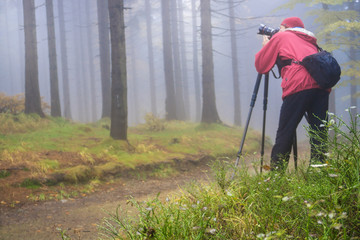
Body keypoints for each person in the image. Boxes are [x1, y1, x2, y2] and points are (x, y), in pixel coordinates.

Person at [255, 17, 329, 171]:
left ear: (286, 27)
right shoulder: (310, 41)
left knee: (286, 131)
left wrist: (266, 46)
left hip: (298, 85)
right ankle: (320, 173)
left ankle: (276, 175)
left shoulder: (282, 36)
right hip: (321, 86)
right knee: (319, 132)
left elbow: (261, 66)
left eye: (280, 27)